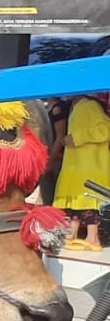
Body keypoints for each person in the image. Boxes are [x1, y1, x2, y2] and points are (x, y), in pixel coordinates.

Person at [53, 94, 110, 251]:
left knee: (87, 202)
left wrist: (78, 138)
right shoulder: (77, 106)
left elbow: (106, 129)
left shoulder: (90, 106)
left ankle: (93, 238)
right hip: (78, 166)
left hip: (89, 167)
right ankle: (72, 233)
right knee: (75, 201)